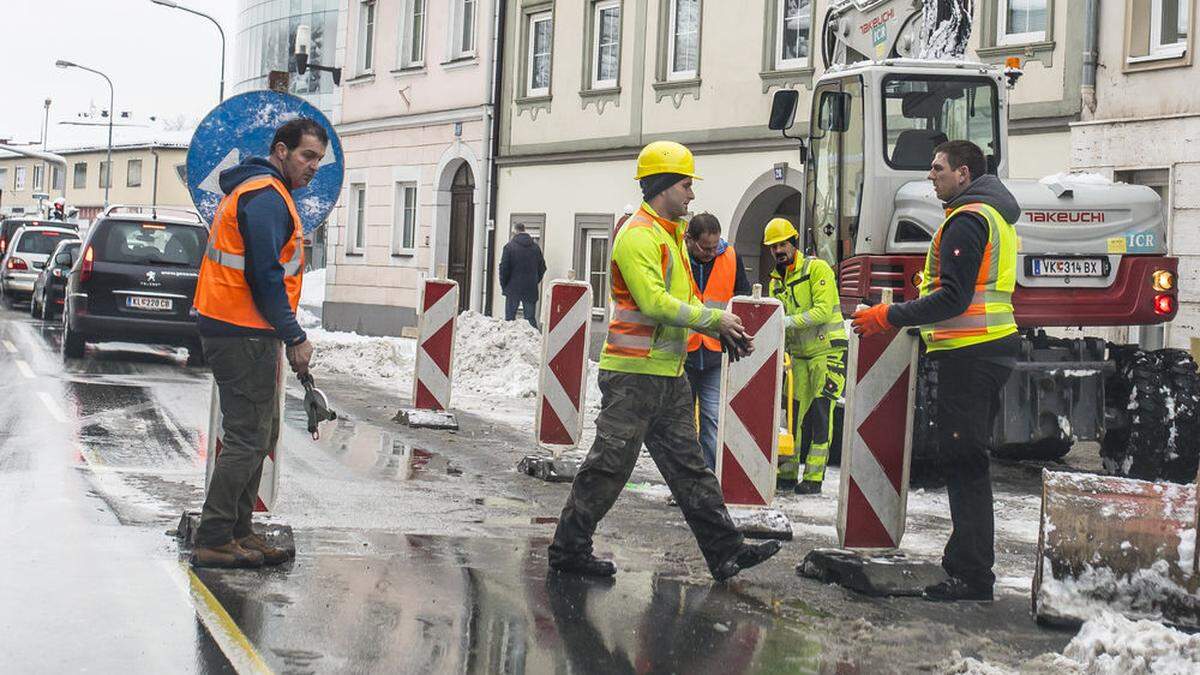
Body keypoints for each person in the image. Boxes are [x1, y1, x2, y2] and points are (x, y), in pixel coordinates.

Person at [548, 140, 783, 582]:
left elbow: (684, 301)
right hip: (633, 377)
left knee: (690, 467)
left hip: (667, 376)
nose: (692, 195)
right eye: (684, 185)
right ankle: (568, 549)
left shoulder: (670, 235)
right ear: (661, 187)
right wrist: (713, 320)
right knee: (609, 466)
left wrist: (718, 331)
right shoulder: (638, 235)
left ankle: (725, 551)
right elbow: (654, 304)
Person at [851, 139, 1019, 602]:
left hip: (972, 354)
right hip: (985, 351)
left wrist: (888, 316)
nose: (931, 175)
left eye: (938, 168)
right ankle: (966, 566)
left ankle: (971, 576)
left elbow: (953, 298)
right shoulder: (992, 217)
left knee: (965, 462)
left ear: (963, 174)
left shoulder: (968, 221)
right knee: (967, 461)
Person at [190, 117, 327, 568]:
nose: (313, 167)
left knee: (259, 432)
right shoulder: (265, 197)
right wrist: (294, 334)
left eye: (319, 160)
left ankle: (239, 532)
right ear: (281, 150)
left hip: (244, 328)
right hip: (240, 330)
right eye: (307, 156)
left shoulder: (266, 192)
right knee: (248, 437)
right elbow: (265, 275)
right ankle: (214, 536)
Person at [763, 218, 846, 496]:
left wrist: (785, 322)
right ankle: (787, 472)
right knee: (793, 415)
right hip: (798, 356)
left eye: (783, 244)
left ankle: (813, 477)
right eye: (774, 247)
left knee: (821, 415)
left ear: (794, 243)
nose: (779, 251)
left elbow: (822, 311)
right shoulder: (775, 282)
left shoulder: (816, 269)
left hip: (828, 352)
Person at [684, 212, 751, 471]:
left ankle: (708, 481)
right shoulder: (677, 256)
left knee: (712, 419)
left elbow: (742, 298)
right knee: (683, 425)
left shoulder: (731, 257)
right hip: (682, 353)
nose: (712, 252)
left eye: (715, 246)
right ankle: (686, 483)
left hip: (714, 353)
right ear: (690, 240)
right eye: (705, 247)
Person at [498, 223, 547, 329]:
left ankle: (508, 341)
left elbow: (503, 269)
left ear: (514, 232)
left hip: (512, 288)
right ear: (524, 231)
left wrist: (505, 285)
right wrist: (534, 280)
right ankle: (534, 342)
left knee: (510, 320)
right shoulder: (535, 248)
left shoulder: (509, 247)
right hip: (530, 288)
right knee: (530, 319)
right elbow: (542, 267)